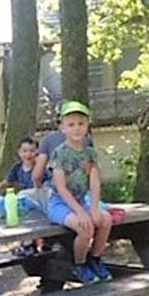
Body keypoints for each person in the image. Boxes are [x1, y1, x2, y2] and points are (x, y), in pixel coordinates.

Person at [47, 101, 113, 284]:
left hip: (82, 200)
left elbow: (94, 181)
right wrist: (81, 212)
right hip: (60, 203)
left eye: (80, 123)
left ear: (87, 125)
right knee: (85, 227)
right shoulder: (59, 154)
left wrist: (94, 208)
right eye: (71, 124)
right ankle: (79, 263)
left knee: (106, 219)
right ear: (62, 127)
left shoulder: (90, 153)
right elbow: (61, 187)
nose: (76, 128)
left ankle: (95, 258)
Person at [33, 102, 95, 189]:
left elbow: (37, 174)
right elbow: (92, 171)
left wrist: (37, 187)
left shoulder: (49, 139)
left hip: (55, 188)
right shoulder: (86, 139)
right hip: (82, 188)